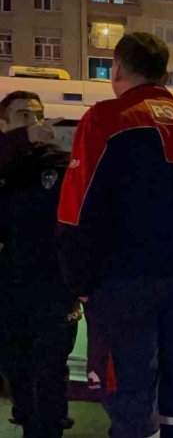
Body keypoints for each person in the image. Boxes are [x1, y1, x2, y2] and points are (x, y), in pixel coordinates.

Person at [57, 32, 173, 437]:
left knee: (130, 395)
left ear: (116, 68)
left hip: (121, 283)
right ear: (165, 73)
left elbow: (77, 210)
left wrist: (79, 282)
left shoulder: (104, 120)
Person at [0, 92, 78, 437]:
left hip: (52, 291)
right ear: (4, 125)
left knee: (49, 378)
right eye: (22, 116)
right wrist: (22, 140)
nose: (33, 123)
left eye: (37, 116)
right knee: (17, 373)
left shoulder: (56, 162)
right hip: (8, 293)